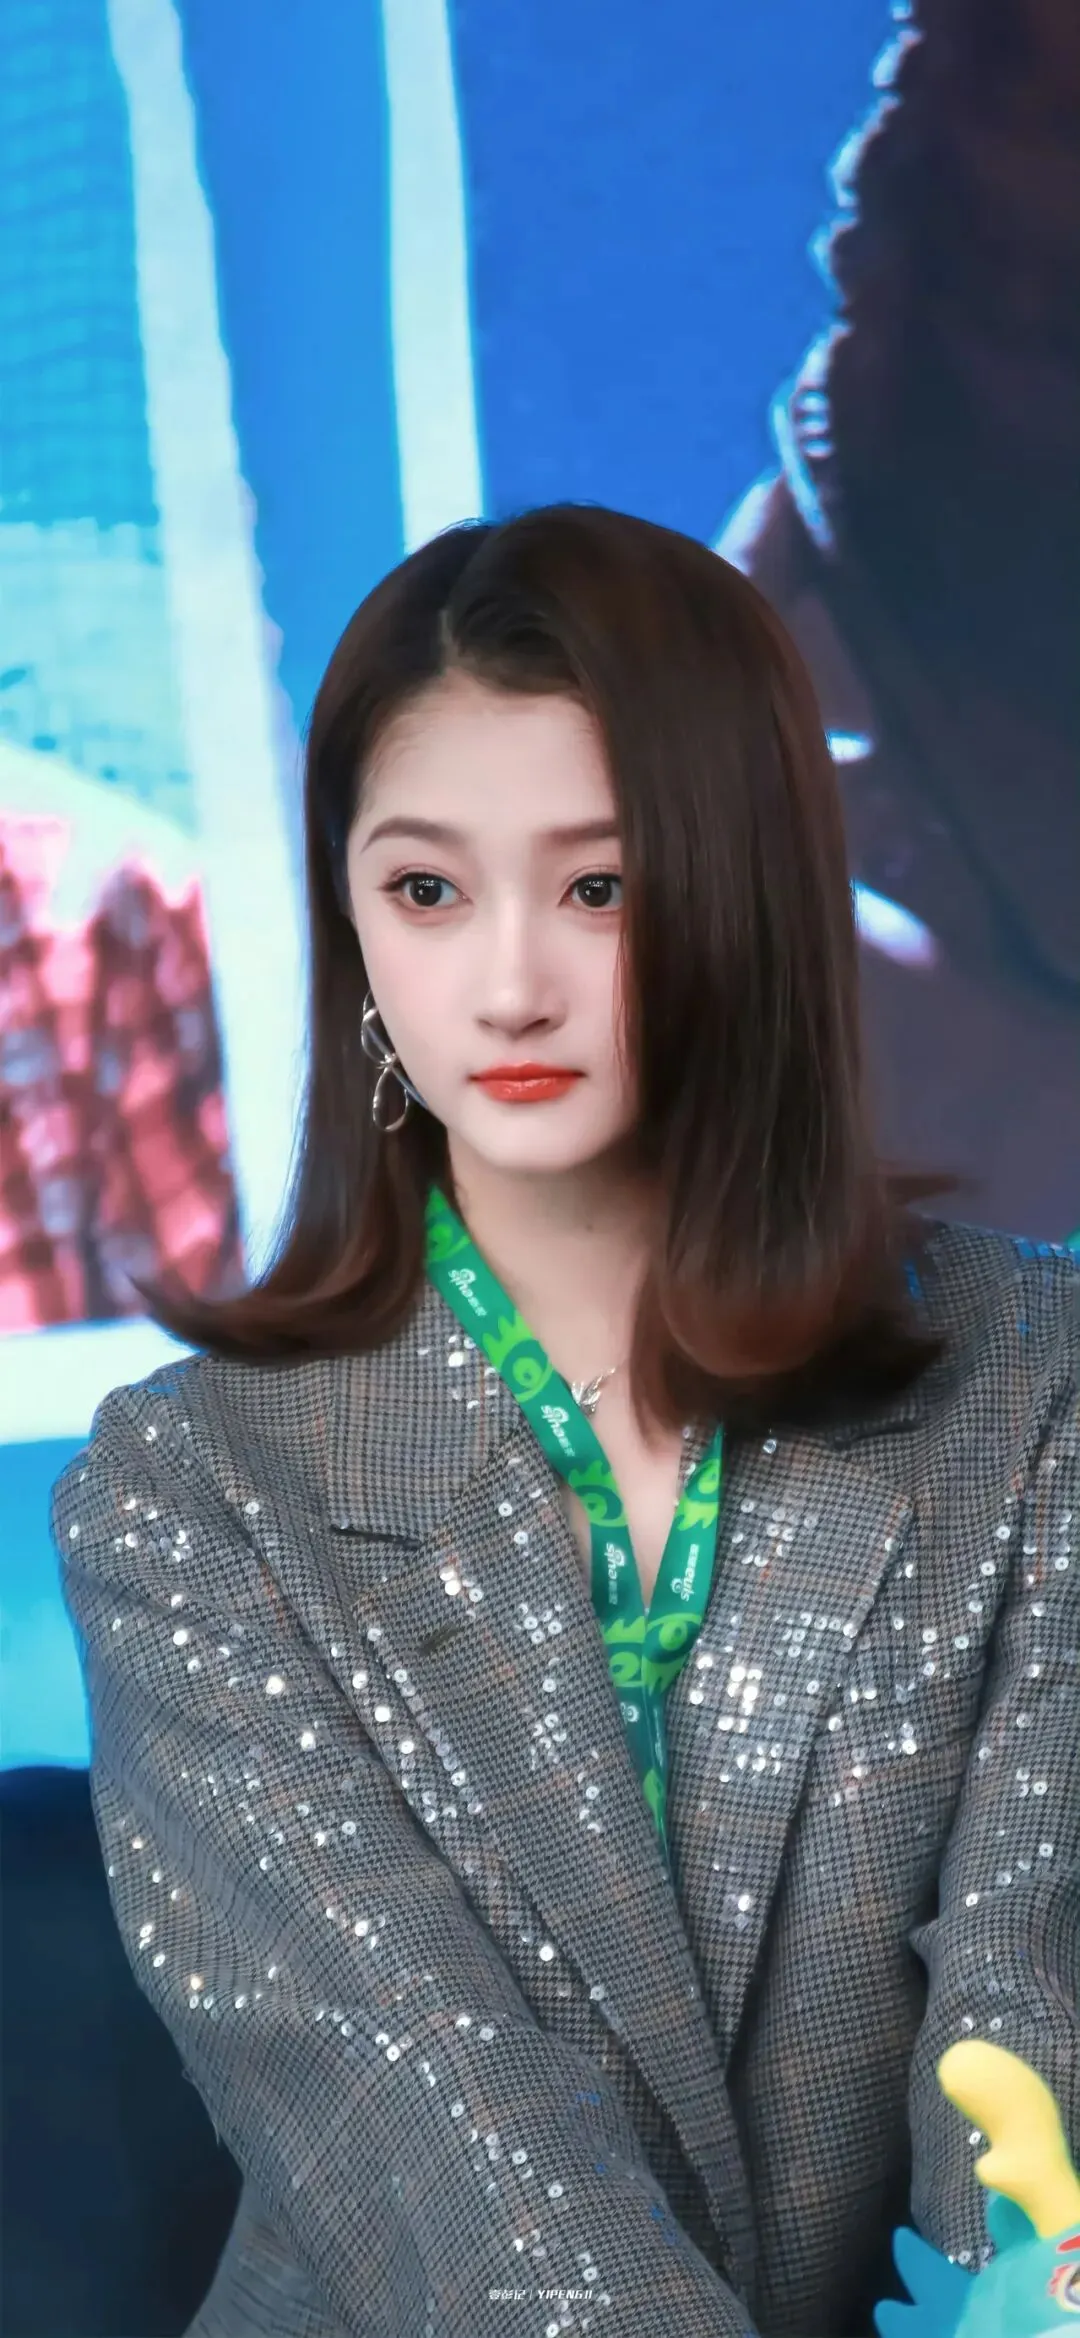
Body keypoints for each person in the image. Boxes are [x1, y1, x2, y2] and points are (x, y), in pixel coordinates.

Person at [50, 504, 1079, 2338]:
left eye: (600, 888)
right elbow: (418, 2114)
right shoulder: (189, 1484)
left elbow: (1031, 1989)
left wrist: (1024, 2292)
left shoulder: (1033, 1374)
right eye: (426, 891)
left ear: (750, 892)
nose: (510, 982)